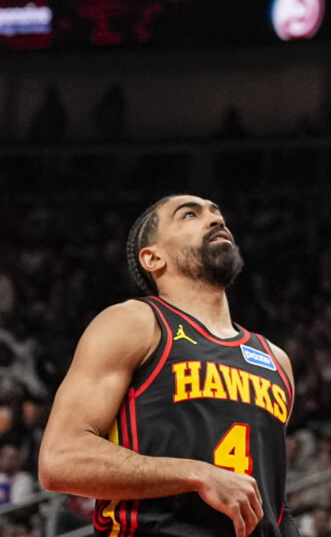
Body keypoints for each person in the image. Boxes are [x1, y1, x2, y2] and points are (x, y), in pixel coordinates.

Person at [38, 195, 295, 537]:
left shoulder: (275, 359)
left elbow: (275, 504)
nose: (216, 220)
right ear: (153, 257)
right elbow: (61, 459)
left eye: (218, 213)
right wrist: (197, 474)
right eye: (189, 214)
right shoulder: (135, 323)